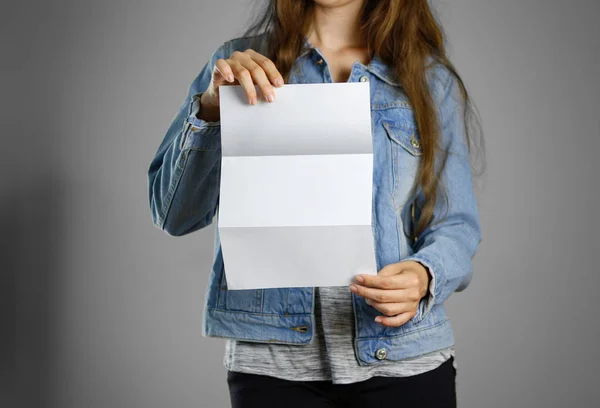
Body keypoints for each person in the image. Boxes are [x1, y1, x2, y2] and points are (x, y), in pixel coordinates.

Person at [147, 0, 484, 406]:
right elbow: (173, 214)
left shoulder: (428, 80)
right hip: (272, 368)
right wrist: (213, 109)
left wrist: (424, 275)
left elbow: (456, 224)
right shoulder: (234, 66)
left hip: (402, 357)